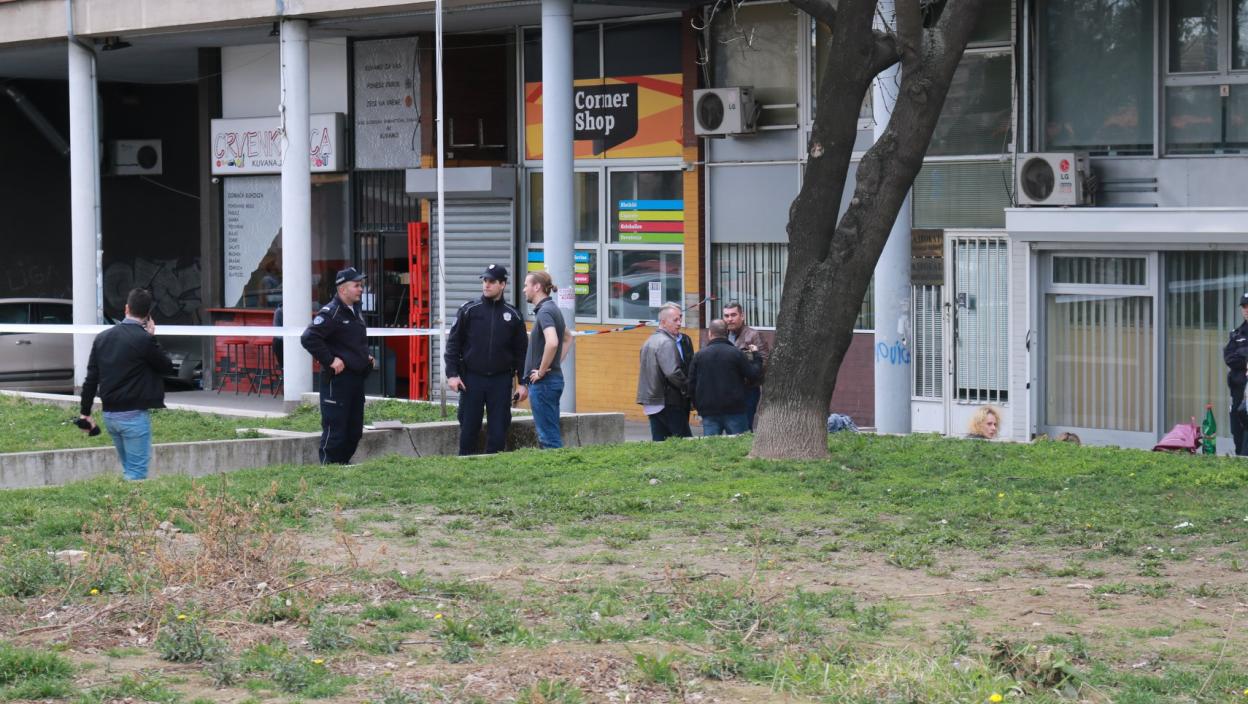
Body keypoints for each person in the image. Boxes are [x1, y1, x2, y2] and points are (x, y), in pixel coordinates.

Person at [78, 288, 175, 480]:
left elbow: (91, 379)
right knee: (136, 474)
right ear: (148, 315)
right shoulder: (144, 340)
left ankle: (123, 498)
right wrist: (152, 337)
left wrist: (85, 413)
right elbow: (166, 367)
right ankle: (131, 500)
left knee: (129, 470)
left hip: (110, 416)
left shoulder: (102, 338)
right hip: (134, 416)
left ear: (126, 308)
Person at [445, 263, 528, 455]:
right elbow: (453, 344)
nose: (486, 285)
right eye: (484, 280)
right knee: (468, 428)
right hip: (472, 379)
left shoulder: (514, 315)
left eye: (491, 281)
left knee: (498, 431)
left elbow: (521, 352)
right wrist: (452, 374)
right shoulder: (469, 310)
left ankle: (494, 467)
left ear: (502, 284)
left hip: (501, 380)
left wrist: (523, 383)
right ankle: (465, 464)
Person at [301, 267, 375, 465]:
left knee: (354, 431)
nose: (361, 289)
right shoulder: (331, 312)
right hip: (338, 381)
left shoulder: (355, 309)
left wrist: (365, 356)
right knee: (336, 430)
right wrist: (330, 360)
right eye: (356, 285)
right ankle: (329, 470)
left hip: (356, 379)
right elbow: (309, 338)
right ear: (343, 289)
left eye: (361, 285)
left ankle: (342, 467)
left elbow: (350, 341)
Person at [522, 271, 573, 449]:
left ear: (537, 287)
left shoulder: (545, 311)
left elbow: (552, 342)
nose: (524, 290)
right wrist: (554, 363)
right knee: (550, 433)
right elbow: (568, 337)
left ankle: (556, 466)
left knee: (548, 438)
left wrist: (542, 371)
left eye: (526, 285)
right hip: (551, 381)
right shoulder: (552, 308)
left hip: (544, 383)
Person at [688, 319, 762, 436]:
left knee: (711, 446)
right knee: (739, 444)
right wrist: (756, 356)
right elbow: (753, 375)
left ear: (710, 333)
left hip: (709, 410)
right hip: (735, 409)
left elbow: (691, 383)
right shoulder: (736, 354)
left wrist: (697, 405)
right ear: (727, 333)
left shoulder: (699, 356)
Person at [636, 303, 693, 440]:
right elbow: (672, 373)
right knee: (684, 442)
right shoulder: (666, 342)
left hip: (653, 401)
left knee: (660, 443)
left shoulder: (649, 341)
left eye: (680, 318)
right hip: (668, 401)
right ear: (663, 322)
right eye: (675, 320)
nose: (679, 323)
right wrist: (688, 387)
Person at [722, 302, 769, 429]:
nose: (729, 319)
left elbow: (764, 362)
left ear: (742, 316)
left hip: (747, 390)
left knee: (744, 428)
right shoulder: (722, 335)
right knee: (730, 429)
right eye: (726, 316)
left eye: (733, 315)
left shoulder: (753, 335)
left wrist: (746, 376)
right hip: (727, 389)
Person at [1221, 292, 1248, 456]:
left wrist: (1242, 354)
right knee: (1237, 433)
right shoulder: (1237, 333)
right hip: (1239, 393)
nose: (1246, 310)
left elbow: (1236, 356)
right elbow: (1229, 358)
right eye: (1244, 306)